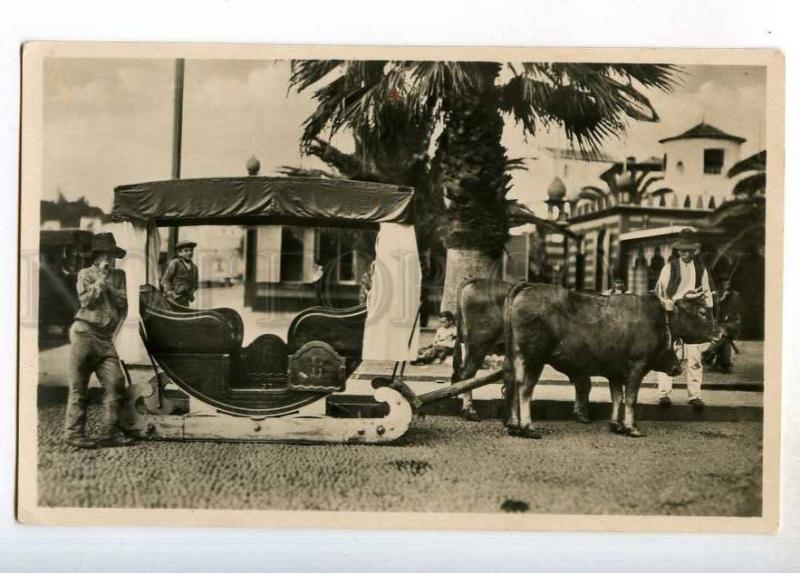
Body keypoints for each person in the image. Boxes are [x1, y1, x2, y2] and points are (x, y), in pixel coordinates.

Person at [64, 233, 134, 449]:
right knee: (79, 387)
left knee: (115, 382)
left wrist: (108, 284)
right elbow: (87, 301)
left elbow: (123, 302)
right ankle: (74, 434)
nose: (109, 259)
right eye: (105, 255)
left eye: (112, 255)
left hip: (105, 338)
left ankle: (110, 432)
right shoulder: (85, 274)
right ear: (95, 257)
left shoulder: (119, 275)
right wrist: (101, 280)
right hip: (84, 333)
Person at [655, 229, 714, 409]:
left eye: (690, 250)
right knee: (669, 353)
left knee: (694, 357)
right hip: (674, 315)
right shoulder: (670, 267)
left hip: (693, 317)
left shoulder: (700, 269)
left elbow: (707, 292)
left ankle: (694, 395)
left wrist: (709, 315)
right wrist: (673, 301)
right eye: (683, 250)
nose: (687, 254)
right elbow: (660, 291)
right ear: (679, 251)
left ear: (694, 251)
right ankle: (664, 393)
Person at [702, 278, 743, 373]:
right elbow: (714, 312)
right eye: (723, 284)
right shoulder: (716, 296)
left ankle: (709, 353)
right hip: (721, 326)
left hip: (733, 323)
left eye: (727, 284)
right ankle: (725, 364)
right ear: (720, 285)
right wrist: (719, 300)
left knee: (722, 331)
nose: (725, 286)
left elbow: (736, 312)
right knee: (724, 338)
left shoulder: (734, 295)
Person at [161, 240, 199, 307]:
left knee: (184, 315)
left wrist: (190, 293)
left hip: (185, 299)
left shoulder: (194, 267)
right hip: (172, 298)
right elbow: (165, 279)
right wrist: (170, 292)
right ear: (179, 253)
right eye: (186, 251)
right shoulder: (175, 263)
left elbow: (195, 284)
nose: (189, 253)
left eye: (191, 250)